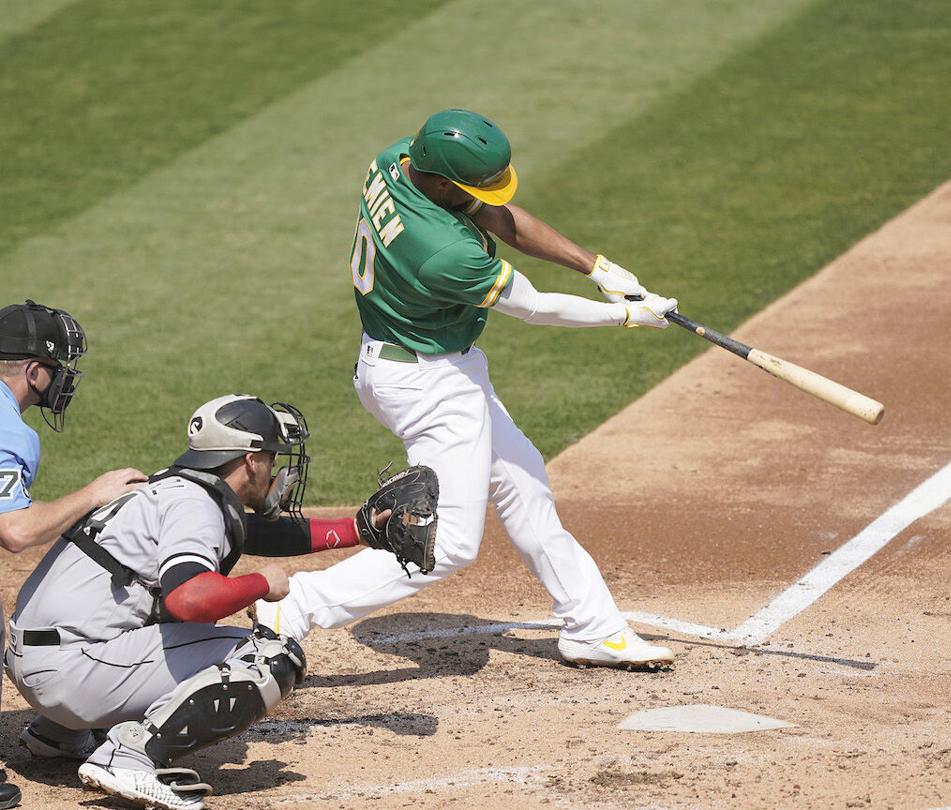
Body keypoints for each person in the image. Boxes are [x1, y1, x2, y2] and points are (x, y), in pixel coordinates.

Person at [254, 108, 678, 669]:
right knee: (447, 543)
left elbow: (499, 217)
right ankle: (295, 608)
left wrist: (596, 266)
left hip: (421, 364)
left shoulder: (399, 160)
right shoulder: (442, 252)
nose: (481, 195)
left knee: (524, 483)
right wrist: (625, 317)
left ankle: (592, 628)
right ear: (439, 182)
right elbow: (534, 307)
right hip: (426, 382)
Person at [6, 394, 378, 810]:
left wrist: (359, 529)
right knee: (271, 657)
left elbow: (254, 533)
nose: (275, 470)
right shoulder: (195, 506)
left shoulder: (173, 490)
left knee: (160, 612)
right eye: (272, 458)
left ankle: (58, 733)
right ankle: (129, 756)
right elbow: (190, 600)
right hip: (70, 674)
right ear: (251, 459)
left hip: (38, 662)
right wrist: (261, 583)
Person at [0, 300, 147, 810]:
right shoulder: (9, 428)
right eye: (57, 369)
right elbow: (15, 531)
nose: (62, 381)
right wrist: (93, 493)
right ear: (34, 371)